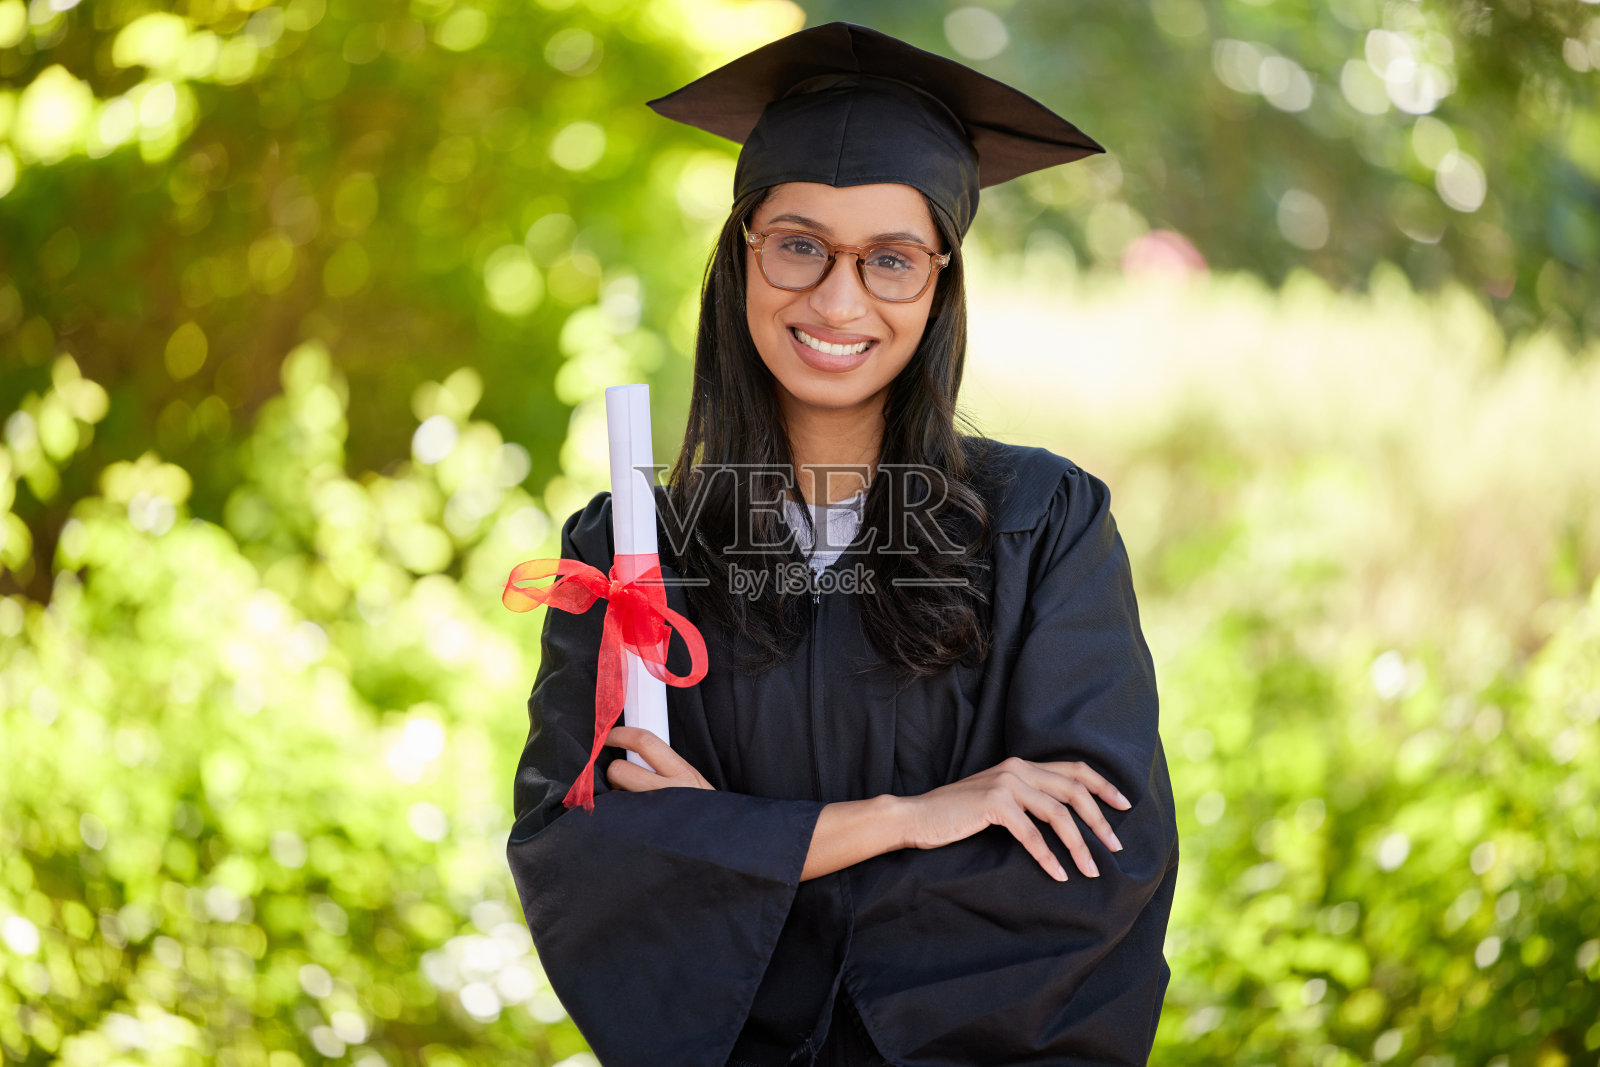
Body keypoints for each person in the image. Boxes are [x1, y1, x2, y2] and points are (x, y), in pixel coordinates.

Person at [506, 22, 1179, 1066]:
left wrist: (739, 844)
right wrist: (911, 817)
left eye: (891, 261)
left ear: (941, 283)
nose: (836, 297)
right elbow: (589, 861)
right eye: (798, 244)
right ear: (741, 254)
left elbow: (1091, 871)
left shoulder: (1042, 525)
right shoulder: (636, 551)